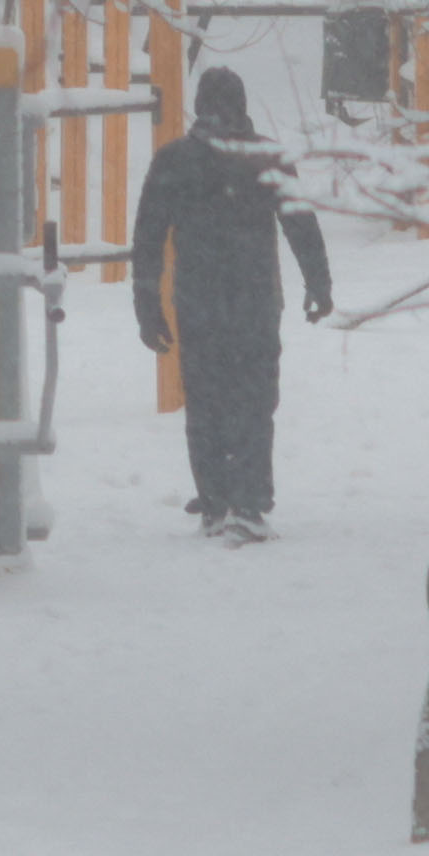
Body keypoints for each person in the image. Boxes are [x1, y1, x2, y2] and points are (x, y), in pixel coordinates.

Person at [125, 66, 338, 538]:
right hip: (255, 300)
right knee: (254, 400)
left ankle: (215, 500)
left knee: (204, 400)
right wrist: (318, 285)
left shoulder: (173, 161)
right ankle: (249, 502)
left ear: (198, 106)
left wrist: (147, 308)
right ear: (243, 106)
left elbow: (147, 240)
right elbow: (301, 226)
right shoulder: (266, 158)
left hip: (197, 301)